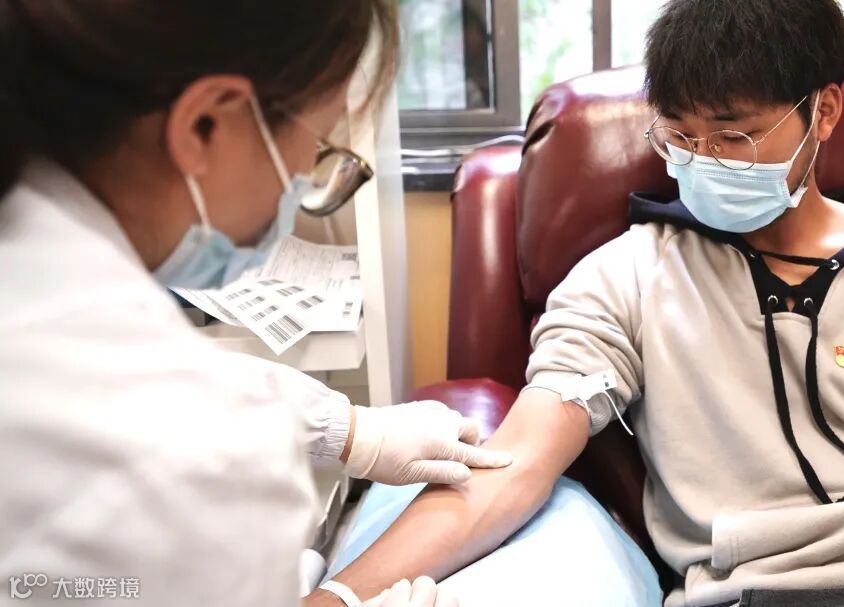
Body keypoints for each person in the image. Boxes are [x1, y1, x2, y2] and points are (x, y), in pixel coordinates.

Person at [311, 1, 844, 606]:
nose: (702, 161)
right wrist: (337, 595)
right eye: (679, 137)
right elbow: (512, 466)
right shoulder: (626, 278)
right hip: (764, 595)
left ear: (824, 112)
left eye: (734, 138)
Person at [0, 2, 511, 606]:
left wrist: (353, 430)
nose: (305, 178)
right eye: (317, 144)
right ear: (205, 125)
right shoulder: (202, 462)